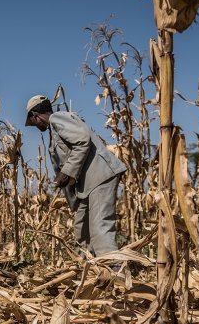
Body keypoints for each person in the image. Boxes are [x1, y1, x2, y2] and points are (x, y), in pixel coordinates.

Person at [25, 95, 126, 257]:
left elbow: (82, 139)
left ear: (35, 116)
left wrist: (66, 172)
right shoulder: (54, 130)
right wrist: (72, 199)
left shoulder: (57, 118)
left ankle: (115, 273)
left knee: (100, 228)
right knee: (82, 231)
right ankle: (87, 271)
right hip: (86, 186)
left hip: (100, 176)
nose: (36, 126)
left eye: (33, 122)